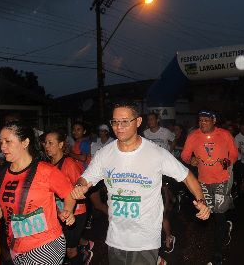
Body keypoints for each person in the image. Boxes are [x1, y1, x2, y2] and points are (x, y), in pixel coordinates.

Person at [71, 100, 210, 265]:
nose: (118, 126)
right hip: (116, 238)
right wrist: (80, 186)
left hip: (145, 239)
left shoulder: (156, 153)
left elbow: (187, 176)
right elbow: (85, 178)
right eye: (115, 122)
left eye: (124, 121)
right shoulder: (104, 154)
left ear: (138, 122)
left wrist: (201, 200)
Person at [0, 121, 76, 265]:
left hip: (47, 244)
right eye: (1, 142)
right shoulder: (2, 175)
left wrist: (68, 210)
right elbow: (1, 203)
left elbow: (69, 193)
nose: (2, 147)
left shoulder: (46, 171)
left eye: (8, 141)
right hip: (16, 246)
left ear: (25, 142)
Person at [181, 109, 238, 265]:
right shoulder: (193, 136)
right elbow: (185, 155)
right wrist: (190, 159)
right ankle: (225, 225)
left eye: (206, 120)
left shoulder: (225, 134)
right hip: (204, 181)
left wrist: (229, 161)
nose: (202, 123)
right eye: (200, 120)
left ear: (214, 121)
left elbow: (234, 153)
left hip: (222, 179)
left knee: (218, 214)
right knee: (209, 212)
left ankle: (217, 253)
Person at [44, 130, 91, 265]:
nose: (47, 146)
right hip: (58, 213)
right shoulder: (47, 165)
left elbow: (81, 189)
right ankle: (85, 244)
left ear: (60, 145)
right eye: (45, 143)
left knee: (70, 250)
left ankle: (84, 255)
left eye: (51, 143)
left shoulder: (69, 163)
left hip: (76, 212)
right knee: (62, 247)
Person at [143, 112, 177, 253]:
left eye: (152, 119)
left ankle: (169, 236)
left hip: (163, 169)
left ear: (157, 120)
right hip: (150, 172)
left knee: (162, 211)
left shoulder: (166, 132)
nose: (150, 121)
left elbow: (174, 139)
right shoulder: (145, 133)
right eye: (148, 120)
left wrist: (169, 151)